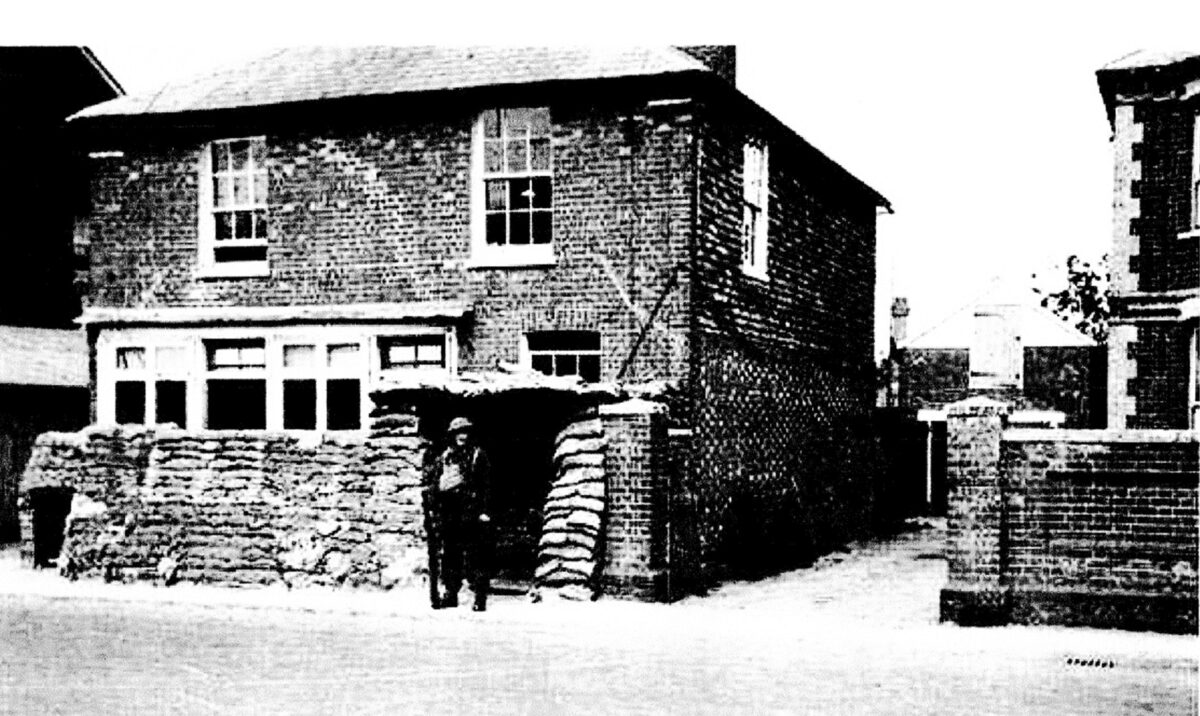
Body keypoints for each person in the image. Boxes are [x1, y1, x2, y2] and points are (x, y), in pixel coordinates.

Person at [422, 416, 492, 612]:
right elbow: (435, 484)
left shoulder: (478, 456)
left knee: (475, 556)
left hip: (471, 511)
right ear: (452, 436)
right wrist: (434, 508)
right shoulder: (445, 458)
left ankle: (479, 597)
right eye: (458, 433)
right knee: (450, 555)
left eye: (465, 432)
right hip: (449, 512)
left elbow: (486, 486)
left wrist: (484, 511)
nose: (462, 436)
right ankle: (451, 594)